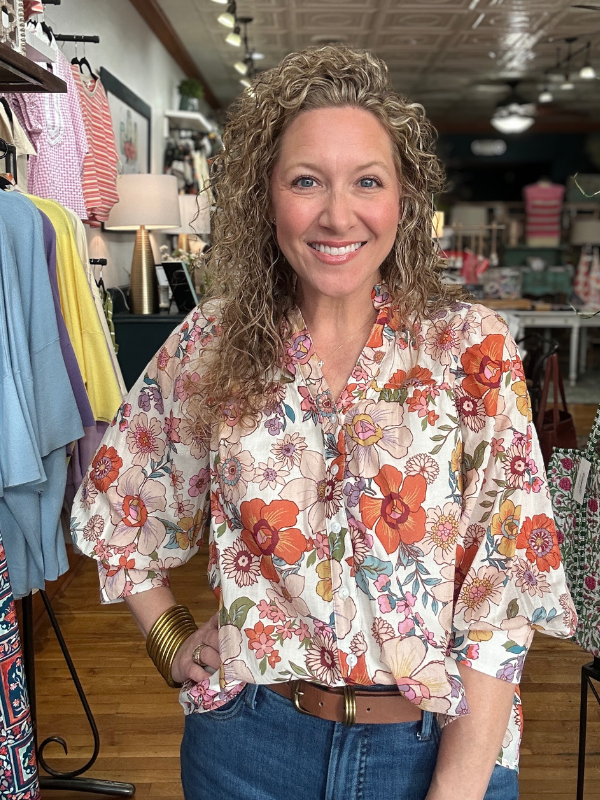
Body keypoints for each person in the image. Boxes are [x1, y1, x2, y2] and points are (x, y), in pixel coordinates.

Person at [72, 46, 576, 800]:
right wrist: (169, 639)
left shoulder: (470, 349)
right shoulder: (212, 342)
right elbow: (121, 504)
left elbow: (504, 594)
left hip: (434, 749)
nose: (338, 215)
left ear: (404, 200)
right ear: (266, 198)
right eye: (306, 181)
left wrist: (456, 787)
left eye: (367, 181)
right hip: (248, 751)